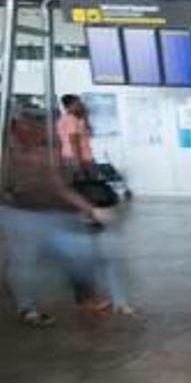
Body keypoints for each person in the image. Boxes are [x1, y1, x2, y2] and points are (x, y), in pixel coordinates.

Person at [1, 108, 114, 326]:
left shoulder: (44, 155)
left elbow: (59, 187)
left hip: (51, 214)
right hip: (19, 215)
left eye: (38, 127)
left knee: (78, 254)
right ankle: (28, 309)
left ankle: (86, 299)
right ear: (16, 130)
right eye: (30, 127)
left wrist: (89, 209)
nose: (37, 131)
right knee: (24, 263)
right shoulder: (6, 157)